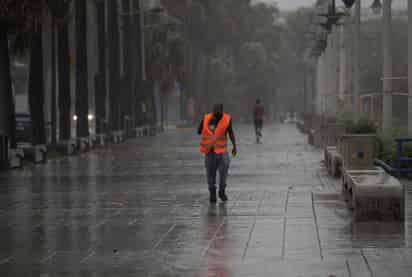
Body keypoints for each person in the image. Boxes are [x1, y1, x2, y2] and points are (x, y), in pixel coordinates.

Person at [198, 104, 237, 203]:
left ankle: (222, 191)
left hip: (222, 152)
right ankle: (212, 193)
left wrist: (234, 145)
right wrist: (205, 126)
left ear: (222, 110)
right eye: (214, 110)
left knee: (223, 174)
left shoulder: (227, 119)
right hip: (209, 152)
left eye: (217, 111)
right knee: (210, 175)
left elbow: (230, 132)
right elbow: (199, 131)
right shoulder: (206, 118)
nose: (215, 112)